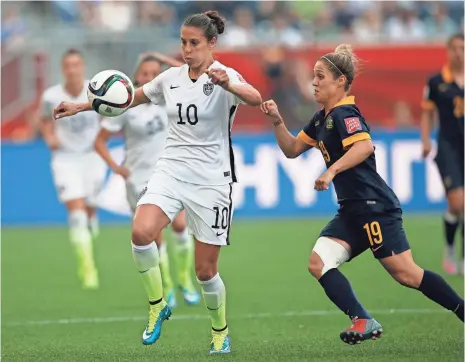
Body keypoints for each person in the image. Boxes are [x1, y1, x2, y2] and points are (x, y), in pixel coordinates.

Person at [53, 11, 262, 354]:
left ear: (211, 43)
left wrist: (229, 84)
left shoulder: (225, 77)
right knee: (140, 232)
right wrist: (80, 106)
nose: (187, 49)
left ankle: (220, 331)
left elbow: (254, 97)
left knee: (205, 272)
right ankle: (157, 304)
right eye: (183, 42)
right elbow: (128, 98)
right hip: (171, 169)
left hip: (212, 180)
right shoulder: (171, 79)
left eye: (194, 43)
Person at [261, 44, 464, 345]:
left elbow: (364, 146)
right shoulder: (321, 119)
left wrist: (331, 172)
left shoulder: (346, 113)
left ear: (340, 81)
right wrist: (277, 120)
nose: (314, 82)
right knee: (319, 262)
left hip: (374, 206)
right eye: (314, 77)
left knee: (407, 274)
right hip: (352, 210)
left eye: (320, 77)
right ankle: (362, 319)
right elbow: (292, 150)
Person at [94, 53, 200, 308]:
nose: (150, 77)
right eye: (145, 73)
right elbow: (99, 142)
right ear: (136, 75)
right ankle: (167, 287)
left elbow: (194, 74)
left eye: (155, 73)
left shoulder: (169, 96)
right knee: (154, 237)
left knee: (180, 226)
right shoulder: (125, 105)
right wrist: (116, 168)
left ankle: (185, 280)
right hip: (138, 179)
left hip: (170, 172)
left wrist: (161, 58)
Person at [40, 49, 106, 289]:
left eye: (77, 64)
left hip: (93, 156)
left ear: (83, 66)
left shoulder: (96, 90)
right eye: (68, 65)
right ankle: (88, 270)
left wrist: (104, 134)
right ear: (62, 69)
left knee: (88, 209)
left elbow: (109, 115)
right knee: (76, 214)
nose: (73, 69)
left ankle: (93, 215)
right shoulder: (51, 96)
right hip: (65, 159)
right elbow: (44, 119)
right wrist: (49, 136)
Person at [421, 33, 464, 275]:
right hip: (448, 146)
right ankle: (449, 247)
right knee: (457, 202)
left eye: (463, 48)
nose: (459, 53)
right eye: (455, 48)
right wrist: (426, 140)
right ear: (448, 51)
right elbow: (427, 113)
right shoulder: (437, 82)